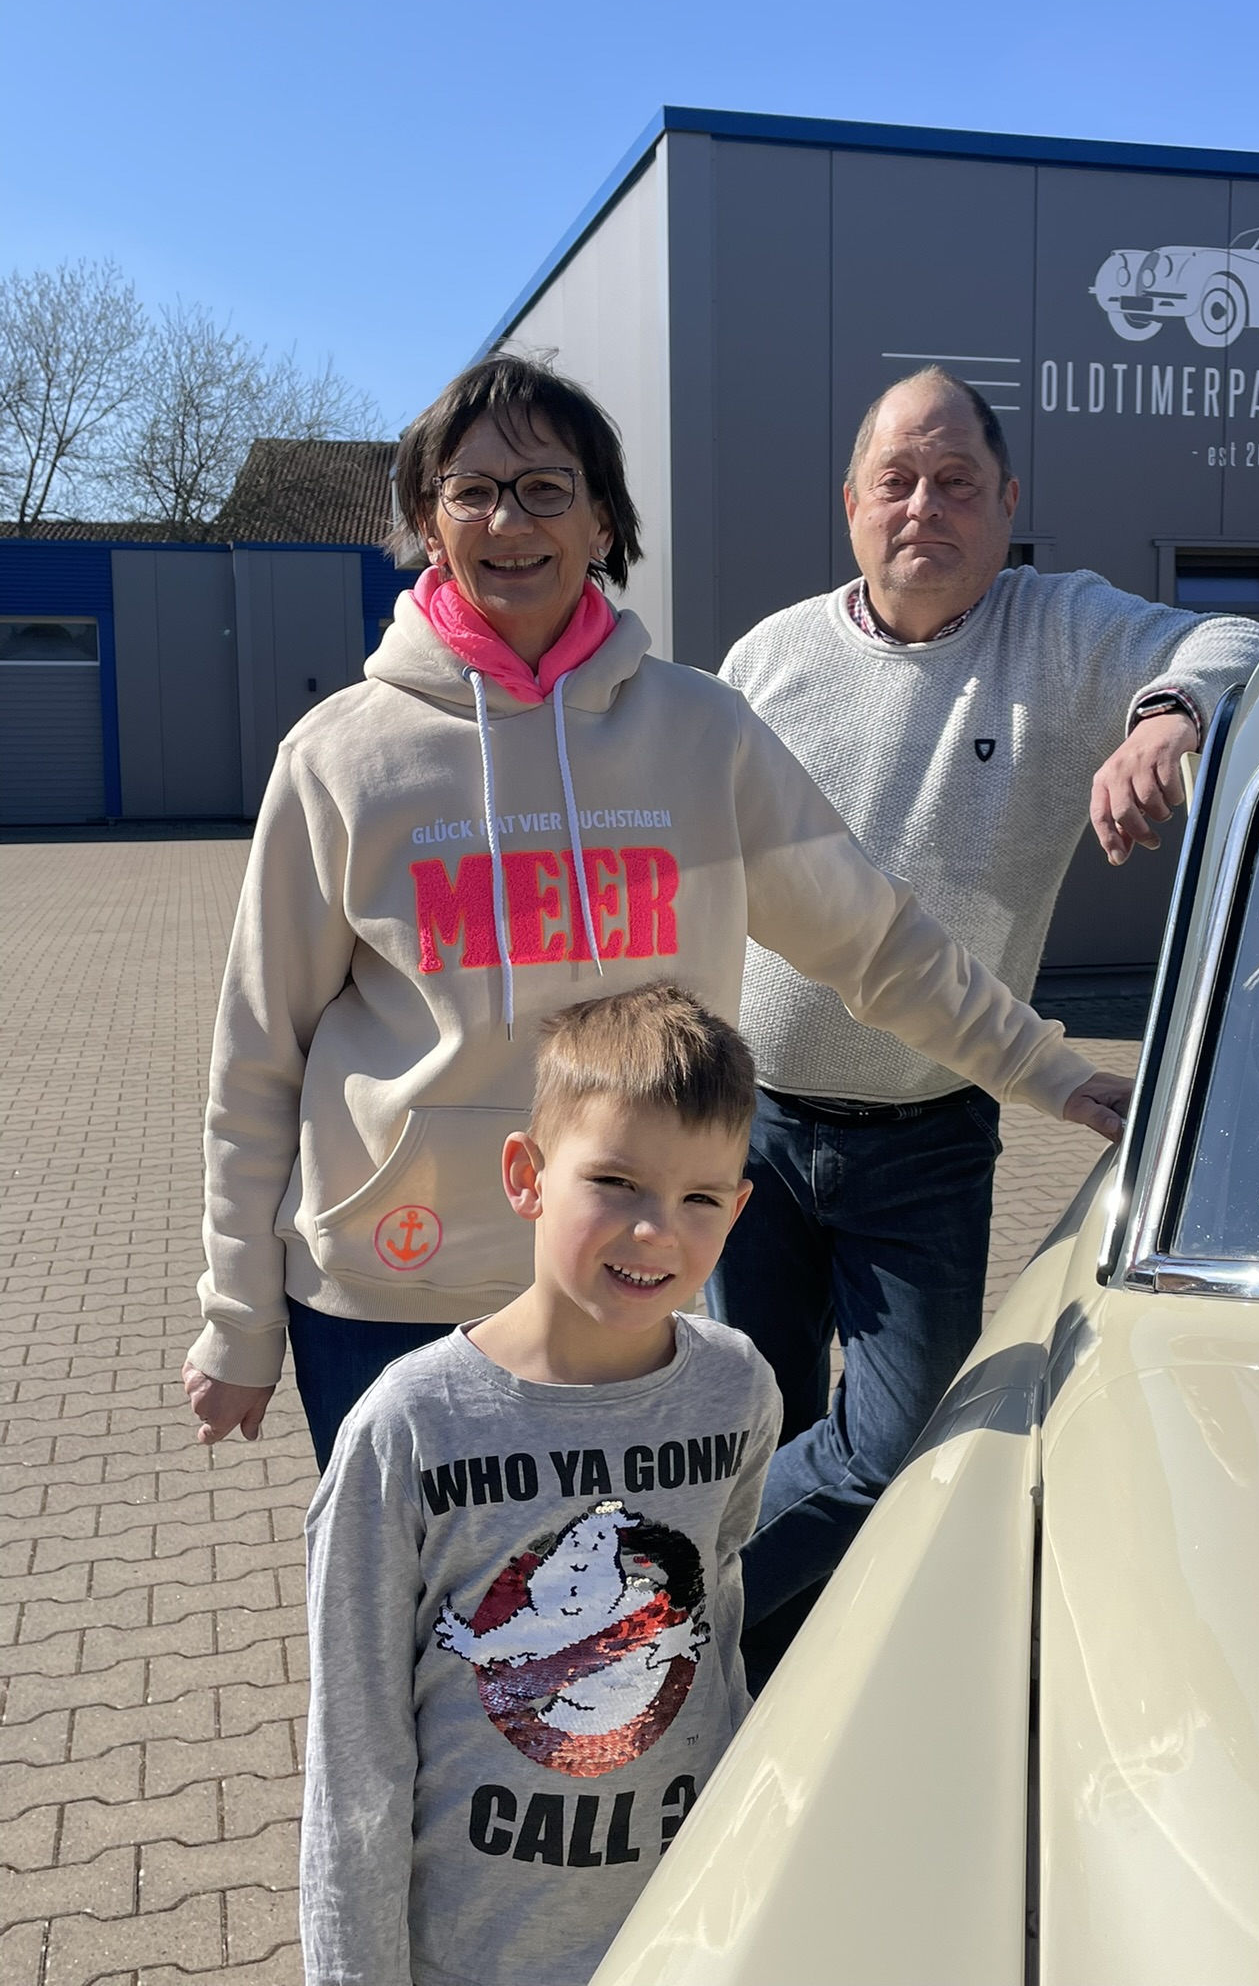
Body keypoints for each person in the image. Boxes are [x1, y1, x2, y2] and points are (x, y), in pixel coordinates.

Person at [182, 354, 1130, 1470]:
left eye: (546, 487)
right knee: (401, 1582)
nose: (509, 520)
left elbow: (875, 942)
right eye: (471, 491)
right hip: (391, 1287)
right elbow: (260, 1055)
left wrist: (1053, 1072)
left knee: (629, 1576)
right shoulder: (340, 756)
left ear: (601, 520)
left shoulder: (702, 734)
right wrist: (238, 1317)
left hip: (626, 1281)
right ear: (430, 525)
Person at [711, 365, 1259, 1679]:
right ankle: (755, 1691)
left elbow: (1240, 641)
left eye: (957, 480)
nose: (926, 505)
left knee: (895, 1445)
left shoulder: (1059, 630)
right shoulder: (768, 659)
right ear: (851, 504)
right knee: (755, 1432)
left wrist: (1167, 717)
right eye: (897, 481)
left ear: (1008, 502)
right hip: (751, 1135)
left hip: (928, 1138)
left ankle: (664, 1603)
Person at [300, 984, 781, 1986]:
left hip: (681, 1934)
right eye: (616, 1181)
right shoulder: (409, 1427)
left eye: (700, 1198)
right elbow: (355, 1756)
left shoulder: (738, 1389)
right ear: (527, 1175)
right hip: (474, 1956)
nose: (657, 1231)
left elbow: (719, 1639)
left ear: (739, 1208)